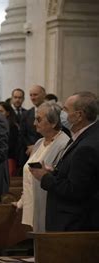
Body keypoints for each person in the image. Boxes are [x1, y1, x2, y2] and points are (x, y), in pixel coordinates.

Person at [30, 92, 99, 231]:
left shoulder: (86, 146)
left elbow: (75, 190)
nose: (62, 113)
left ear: (79, 115)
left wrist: (45, 177)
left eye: (66, 110)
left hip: (74, 222)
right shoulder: (87, 135)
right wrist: (55, 172)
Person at [14, 102, 70, 232]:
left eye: (38, 119)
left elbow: (58, 177)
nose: (34, 123)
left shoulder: (63, 144)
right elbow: (29, 175)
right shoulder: (39, 142)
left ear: (53, 123)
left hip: (48, 206)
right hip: (33, 203)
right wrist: (21, 201)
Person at [19, 85, 46, 167]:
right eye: (31, 95)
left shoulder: (52, 112)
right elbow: (22, 134)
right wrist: (29, 146)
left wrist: (37, 147)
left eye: (35, 95)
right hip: (29, 153)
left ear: (44, 95)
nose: (33, 98)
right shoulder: (26, 114)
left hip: (46, 151)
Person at [0, 102, 20, 177]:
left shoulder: (13, 127)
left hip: (8, 159)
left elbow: (11, 145)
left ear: (8, 113)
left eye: (1, 111)